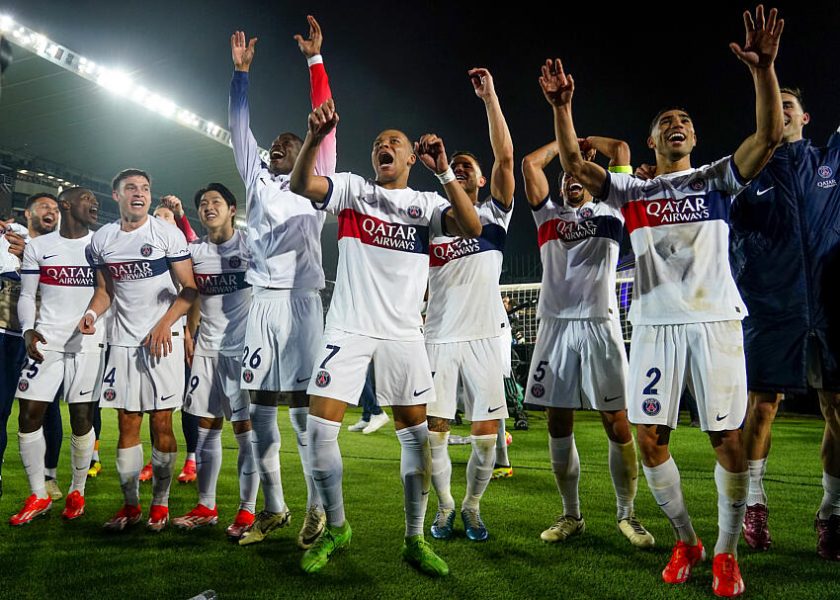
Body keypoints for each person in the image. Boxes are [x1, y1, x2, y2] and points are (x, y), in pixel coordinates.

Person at [537, 5, 784, 596]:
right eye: (666, 120)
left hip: (714, 322)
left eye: (685, 119)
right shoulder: (633, 190)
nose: (677, 123)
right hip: (652, 325)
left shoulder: (717, 178)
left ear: (692, 138)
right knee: (650, 440)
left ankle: (725, 553)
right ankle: (687, 538)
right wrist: (562, 107)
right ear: (649, 141)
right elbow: (573, 163)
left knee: (726, 438)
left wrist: (763, 71)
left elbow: (769, 136)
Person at [290, 99, 481, 575]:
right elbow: (301, 184)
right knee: (318, 432)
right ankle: (337, 526)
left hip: (402, 332)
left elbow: (473, 226)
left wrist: (445, 174)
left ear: (411, 158)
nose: (384, 147)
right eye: (378, 144)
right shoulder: (354, 190)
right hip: (349, 325)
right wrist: (314, 137)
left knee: (415, 438)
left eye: (394, 142)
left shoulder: (428, 204)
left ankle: (413, 539)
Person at [228, 16, 334, 549]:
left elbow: (327, 125)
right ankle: (275, 507)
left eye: (287, 142)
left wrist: (315, 62)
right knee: (258, 412)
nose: (276, 146)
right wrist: (240, 75)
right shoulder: (257, 180)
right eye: (274, 143)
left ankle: (317, 509)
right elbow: (237, 127)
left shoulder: (316, 182)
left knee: (300, 415)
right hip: (261, 305)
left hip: (301, 304)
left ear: (304, 150)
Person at [521, 137, 654, 549]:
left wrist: (580, 150)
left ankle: (627, 515)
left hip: (601, 323)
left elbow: (621, 150)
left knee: (617, 421)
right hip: (555, 326)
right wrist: (565, 150)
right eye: (566, 177)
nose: (571, 180)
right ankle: (571, 514)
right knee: (558, 422)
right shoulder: (547, 214)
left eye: (578, 176)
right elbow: (529, 163)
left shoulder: (611, 206)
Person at [730, 86, 840, 560]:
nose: (782, 111)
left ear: (805, 116)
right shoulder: (747, 172)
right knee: (762, 406)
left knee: (837, 408)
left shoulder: (831, 163)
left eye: (789, 104)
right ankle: (754, 504)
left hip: (830, 305)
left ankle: (831, 511)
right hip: (773, 307)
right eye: (775, 106)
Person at [424, 67, 514, 542]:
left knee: (485, 432)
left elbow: (505, 154)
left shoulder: (496, 212)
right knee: (435, 429)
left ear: (481, 177)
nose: (460, 169)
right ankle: (443, 508)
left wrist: (490, 98)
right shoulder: (436, 219)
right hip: (438, 336)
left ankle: (473, 507)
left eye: (467, 166)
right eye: (452, 166)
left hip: (483, 336)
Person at [81, 168, 197, 532]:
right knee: (127, 422)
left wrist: (166, 323)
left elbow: (190, 289)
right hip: (122, 342)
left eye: (145, 188)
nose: (140, 193)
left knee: (162, 422)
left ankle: (159, 505)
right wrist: (90, 313)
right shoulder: (102, 240)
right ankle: (130, 506)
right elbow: (105, 292)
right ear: (116, 195)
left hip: (162, 342)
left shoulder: (166, 234)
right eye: (131, 188)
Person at [9, 187, 104, 524]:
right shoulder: (39, 247)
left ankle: (77, 490)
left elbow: (107, 292)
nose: (94, 203)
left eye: (95, 200)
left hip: (88, 342)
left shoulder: (99, 245)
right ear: (67, 204)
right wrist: (28, 330)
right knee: (29, 414)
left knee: (81, 418)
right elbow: (27, 294)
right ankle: (38, 495)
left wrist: (92, 318)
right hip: (47, 339)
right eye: (87, 198)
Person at [172, 183, 260, 540]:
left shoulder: (251, 244)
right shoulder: (195, 251)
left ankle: (247, 510)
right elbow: (191, 294)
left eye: (216, 202)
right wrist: (190, 333)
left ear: (232, 209)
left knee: (244, 432)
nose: (209, 207)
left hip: (241, 352)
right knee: (206, 430)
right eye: (203, 203)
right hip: (207, 350)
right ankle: (206, 507)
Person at [0, 194, 63, 500]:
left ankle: (49, 477)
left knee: (47, 409)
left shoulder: (62, 248)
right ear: (26, 213)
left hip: (44, 337)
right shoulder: (11, 235)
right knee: (1, 409)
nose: (51, 211)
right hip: (7, 334)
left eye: (55, 207)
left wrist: (30, 256)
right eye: (44, 206)